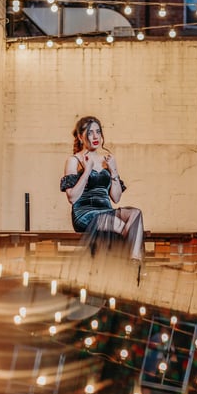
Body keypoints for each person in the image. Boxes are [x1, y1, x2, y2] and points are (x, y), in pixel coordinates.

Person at [60, 116, 144, 282]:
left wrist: (113, 171)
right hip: (85, 214)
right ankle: (126, 272)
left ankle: (135, 262)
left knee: (135, 214)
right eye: (90, 133)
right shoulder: (73, 160)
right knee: (125, 227)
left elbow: (116, 197)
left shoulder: (107, 161)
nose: (96, 136)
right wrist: (87, 171)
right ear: (80, 136)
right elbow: (72, 197)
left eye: (98, 132)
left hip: (107, 211)